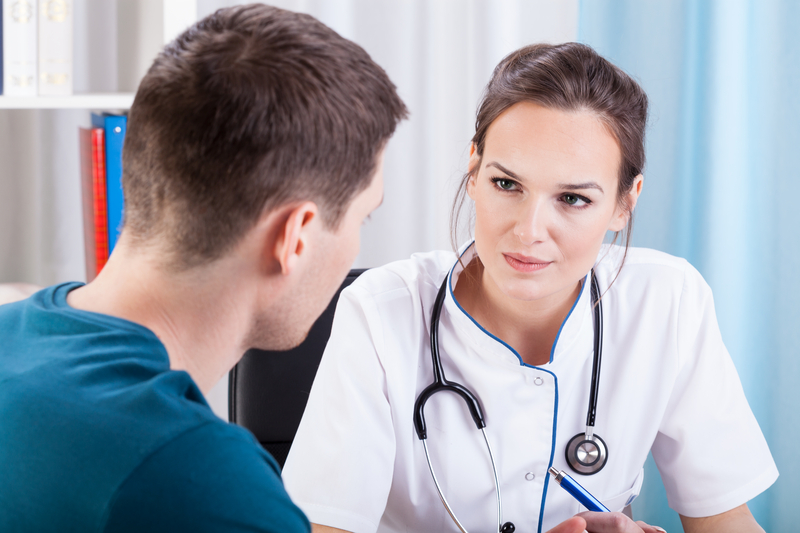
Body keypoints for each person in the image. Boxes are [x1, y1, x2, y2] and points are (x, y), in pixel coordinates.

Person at [281, 42, 778, 533]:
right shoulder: (381, 312)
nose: (529, 230)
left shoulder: (668, 302)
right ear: (473, 169)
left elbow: (725, 520)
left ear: (625, 203)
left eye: (573, 198)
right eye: (506, 184)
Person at [0, 4, 407, 532]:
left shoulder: (11, 334)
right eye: (362, 218)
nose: (355, 248)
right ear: (295, 236)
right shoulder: (199, 477)